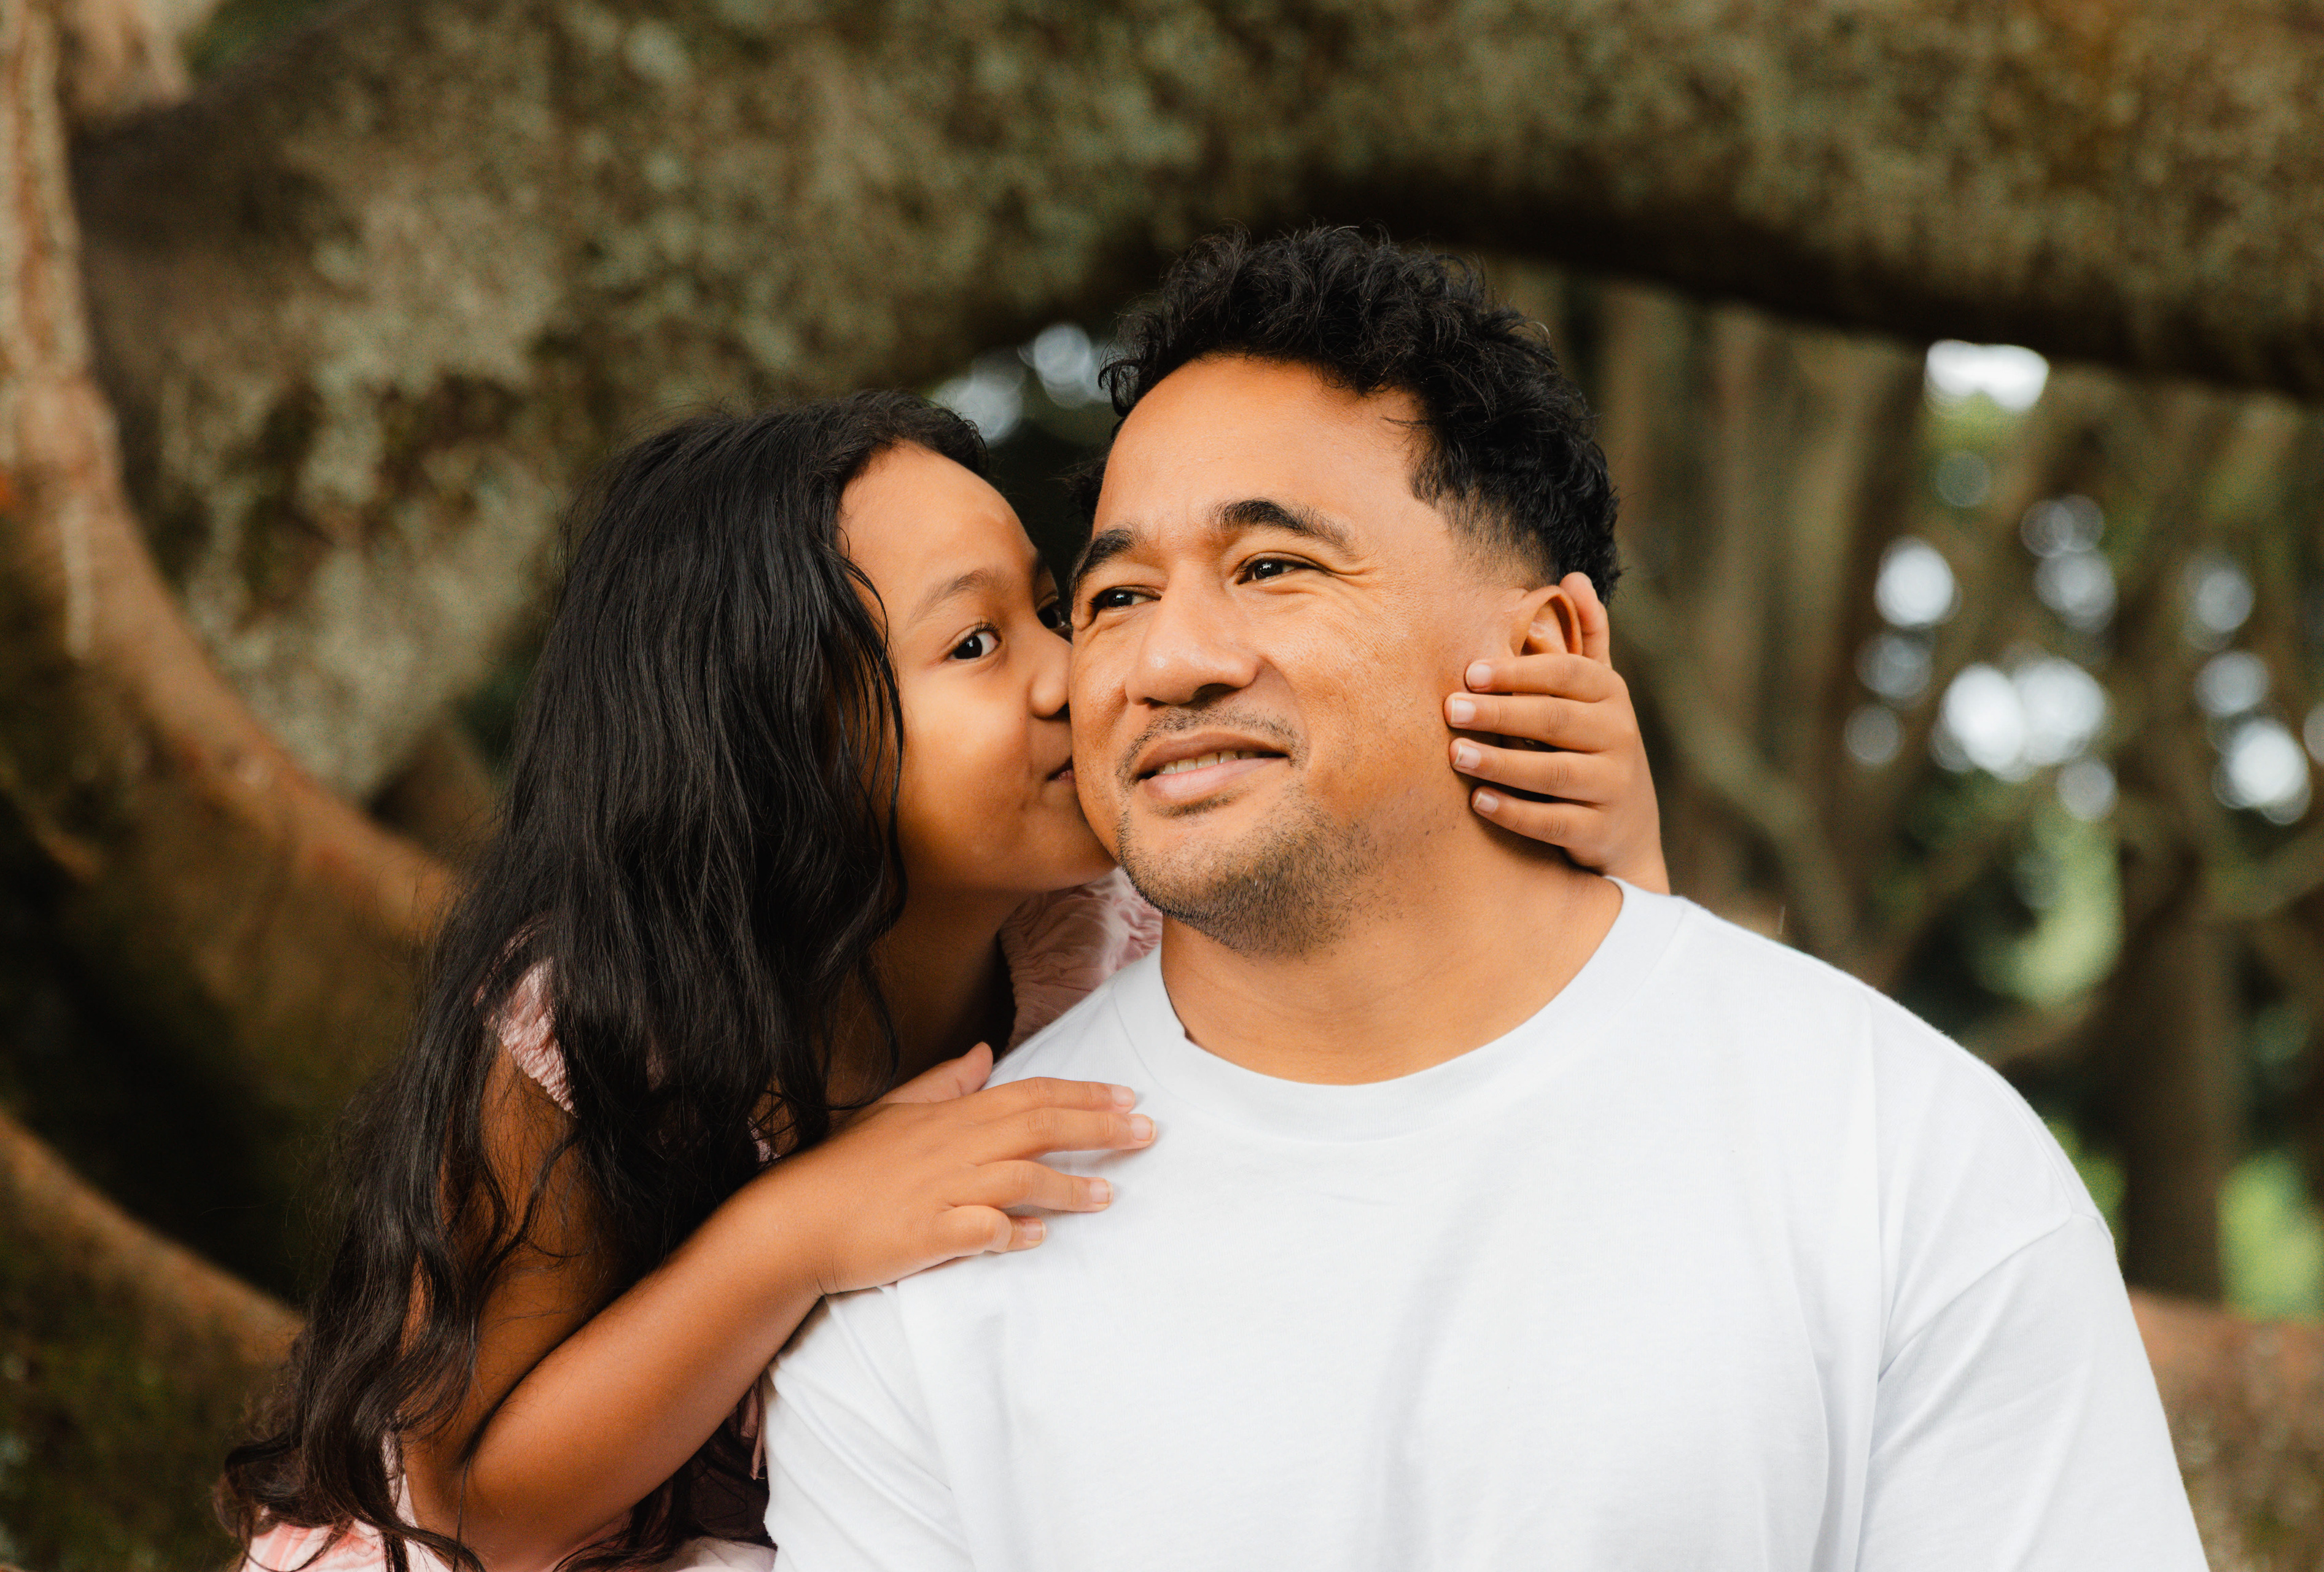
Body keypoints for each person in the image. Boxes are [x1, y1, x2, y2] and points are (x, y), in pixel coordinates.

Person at [758, 230, 2207, 1571]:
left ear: (1550, 642)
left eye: (1271, 565)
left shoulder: (1899, 1162)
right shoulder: (930, 1267)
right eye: (1119, 595)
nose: (1166, 661)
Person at [223, 384, 1667, 1572]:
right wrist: (794, 1233)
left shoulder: (1120, 928)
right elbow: (484, 1508)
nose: (1071, 675)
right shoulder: (602, 1019)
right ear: (769, 744)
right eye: (975, 642)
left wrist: (1616, 853)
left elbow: (1511, 1083)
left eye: (1056, 609)